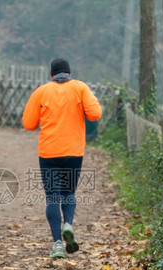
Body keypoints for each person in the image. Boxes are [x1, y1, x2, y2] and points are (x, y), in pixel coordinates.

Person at [22, 58, 102, 259]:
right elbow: (95, 114)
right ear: (69, 72)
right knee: (69, 193)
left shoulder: (41, 91)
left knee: (52, 197)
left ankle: (57, 244)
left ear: (52, 74)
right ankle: (68, 224)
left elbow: (28, 123)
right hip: (74, 152)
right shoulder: (80, 88)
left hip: (49, 152)